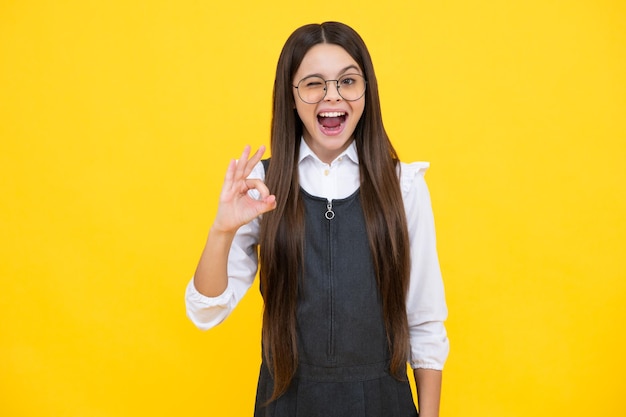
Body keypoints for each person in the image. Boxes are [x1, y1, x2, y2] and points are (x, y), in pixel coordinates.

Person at [185, 21, 449, 417]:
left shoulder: (403, 186)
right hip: (288, 402)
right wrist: (222, 229)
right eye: (313, 84)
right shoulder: (262, 187)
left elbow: (425, 324)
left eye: (348, 81)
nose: (332, 96)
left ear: (366, 90)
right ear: (291, 97)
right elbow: (205, 312)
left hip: (382, 403)